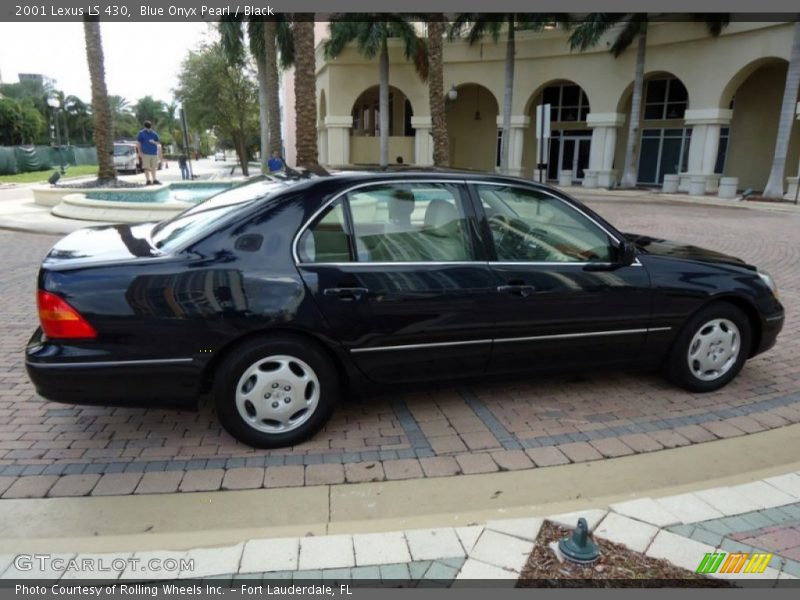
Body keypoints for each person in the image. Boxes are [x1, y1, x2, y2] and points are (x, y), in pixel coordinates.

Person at [136, 120, 161, 185]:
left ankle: (154, 179)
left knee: (154, 167)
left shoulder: (154, 133)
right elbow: (138, 143)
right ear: (144, 127)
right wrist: (139, 152)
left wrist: (153, 142)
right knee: (146, 167)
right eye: (147, 128)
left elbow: (158, 142)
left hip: (153, 153)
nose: (148, 129)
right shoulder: (141, 133)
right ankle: (148, 180)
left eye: (149, 127)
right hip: (145, 153)